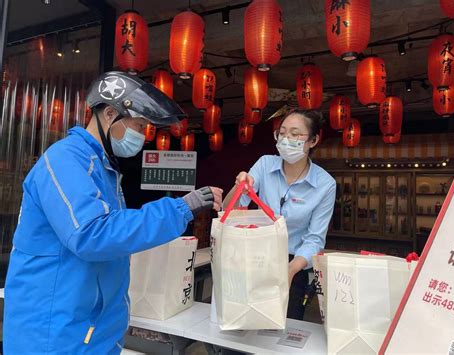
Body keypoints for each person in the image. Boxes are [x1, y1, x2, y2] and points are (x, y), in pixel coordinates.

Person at [3, 71, 223, 353]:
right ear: (109, 113)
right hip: (53, 334)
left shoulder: (103, 168)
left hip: (91, 329)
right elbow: (93, 234)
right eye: (140, 125)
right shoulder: (65, 159)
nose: (143, 136)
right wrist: (181, 208)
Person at [224, 109, 336, 321]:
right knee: (244, 321)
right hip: (254, 256)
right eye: (282, 133)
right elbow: (231, 209)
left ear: (313, 140)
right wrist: (239, 186)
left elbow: (315, 238)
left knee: (284, 325)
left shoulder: (325, 184)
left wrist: (291, 270)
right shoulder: (265, 164)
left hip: (293, 264)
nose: (287, 139)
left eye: (295, 134)